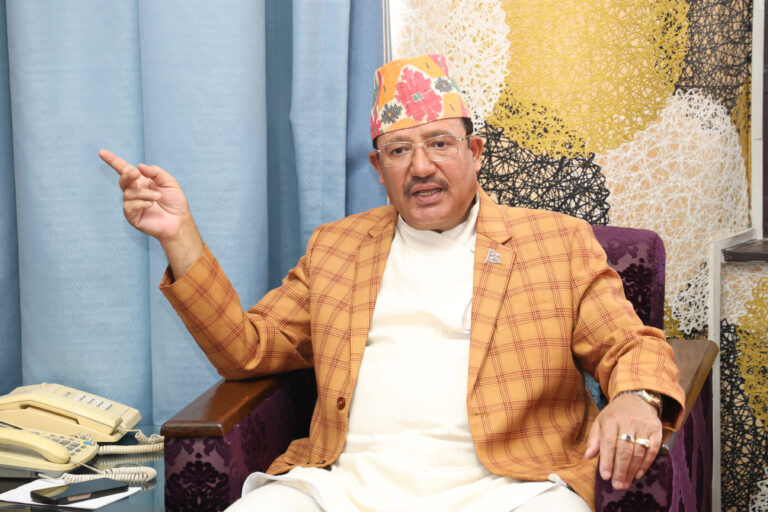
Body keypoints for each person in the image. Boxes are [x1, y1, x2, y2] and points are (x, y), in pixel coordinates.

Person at [100, 54, 684, 511]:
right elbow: (247, 350)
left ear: (475, 152)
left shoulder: (554, 242)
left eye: (440, 144)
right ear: (379, 169)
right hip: (344, 487)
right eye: (400, 150)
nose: (421, 167)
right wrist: (180, 238)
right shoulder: (337, 247)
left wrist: (636, 397)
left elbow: (628, 343)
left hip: (514, 487)